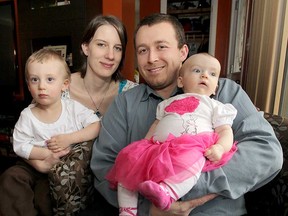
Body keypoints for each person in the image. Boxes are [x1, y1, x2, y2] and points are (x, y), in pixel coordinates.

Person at [90, 13, 283, 215]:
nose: (151, 58)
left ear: (183, 52)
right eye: (143, 50)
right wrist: (150, 209)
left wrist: (188, 184)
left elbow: (267, 152)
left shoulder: (225, 92)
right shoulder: (125, 103)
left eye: (161, 47)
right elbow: (104, 167)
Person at [0, 15, 137, 216]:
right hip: (49, 172)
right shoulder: (55, 84)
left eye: (117, 48)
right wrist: (40, 161)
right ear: (85, 48)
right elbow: (28, 135)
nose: (110, 55)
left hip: (100, 186)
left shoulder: (131, 94)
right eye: (101, 45)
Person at [106, 53, 238, 215]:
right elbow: (156, 124)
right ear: (181, 81)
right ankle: (127, 210)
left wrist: (220, 147)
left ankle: (167, 192)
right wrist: (143, 146)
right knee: (129, 165)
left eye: (212, 74)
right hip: (159, 148)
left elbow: (225, 130)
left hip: (193, 147)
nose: (204, 75)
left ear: (215, 87)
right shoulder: (167, 103)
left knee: (192, 165)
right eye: (197, 70)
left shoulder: (215, 105)